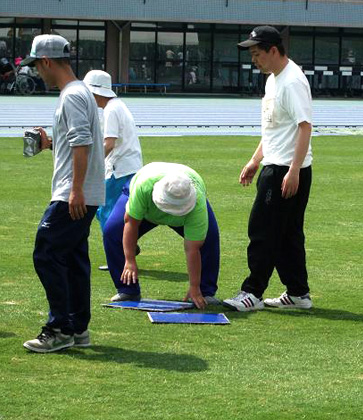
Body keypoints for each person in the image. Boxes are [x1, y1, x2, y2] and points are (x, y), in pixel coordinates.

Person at [21, 35, 105, 353]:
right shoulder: (80, 92)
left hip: (74, 190)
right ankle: (78, 327)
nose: (37, 73)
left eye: (36, 65)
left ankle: (59, 328)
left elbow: (82, 143)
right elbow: (76, 143)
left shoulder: (71, 95)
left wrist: (76, 190)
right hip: (82, 189)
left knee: (46, 251)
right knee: (72, 258)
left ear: (46, 62)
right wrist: (48, 144)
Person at [223, 26, 313, 312]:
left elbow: (304, 127)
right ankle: (298, 293)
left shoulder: (292, 81)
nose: (254, 60)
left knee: (262, 229)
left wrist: (294, 170)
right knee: (287, 235)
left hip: (285, 170)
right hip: (277, 165)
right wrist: (255, 159)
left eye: (257, 53)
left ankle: (252, 292)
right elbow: (275, 127)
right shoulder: (274, 80)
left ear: (274, 50)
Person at [102, 162, 220, 309]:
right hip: (146, 206)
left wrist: (195, 286)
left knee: (209, 239)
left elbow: (193, 249)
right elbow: (130, 223)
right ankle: (127, 290)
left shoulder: (197, 205)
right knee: (112, 232)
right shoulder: (143, 187)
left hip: (186, 212)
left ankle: (204, 292)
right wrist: (130, 259)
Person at [83, 70, 143, 270]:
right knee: (117, 213)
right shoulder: (118, 106)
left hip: (119, 170)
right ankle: (128, 247)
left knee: (107, 213)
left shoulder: (110, 110)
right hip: (128, 167)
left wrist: (93, 165)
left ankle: (118, 254)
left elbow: (109, 143)